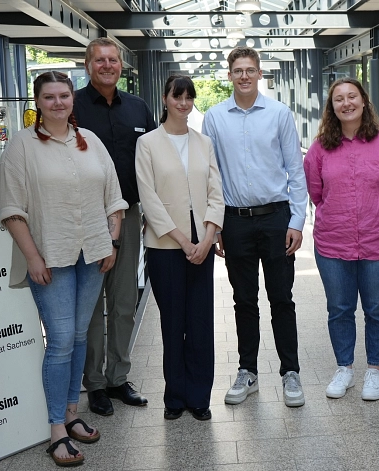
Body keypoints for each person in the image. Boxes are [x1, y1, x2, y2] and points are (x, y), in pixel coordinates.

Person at [0, 71, 129, 467]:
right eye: (49, 97)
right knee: (59, 341)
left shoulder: (91, 142)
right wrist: (32, 257)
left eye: (64, 96)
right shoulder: (21, 147)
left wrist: (113, 240)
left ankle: (72, 412)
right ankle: (56, 430)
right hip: (49, 258)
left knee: (78, 338)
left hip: (92, 255)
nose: (58, 102)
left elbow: (114, 197)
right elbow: (10, 208)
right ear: (37, 102)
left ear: (73, 100)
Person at [202, 46, 308, 408]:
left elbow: (296, 171)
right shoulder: (214, 118)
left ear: (259, 74)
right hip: (235, 221)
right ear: (229, 75)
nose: (244, 76)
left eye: (250, 70)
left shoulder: (279, 114)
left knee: (282, 298)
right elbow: (210, 176)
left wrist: (296, 220)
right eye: (237, 70)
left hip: (277, 218)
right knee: (243, 300)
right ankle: (248, 371)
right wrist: (215, 226)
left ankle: (290, 372)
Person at [304, 78, 379, 402]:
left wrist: (374, 213)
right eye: (339, 99)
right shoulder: (319, 148)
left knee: (377, 309)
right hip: (333, 242)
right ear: (331, 108)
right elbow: (317, 194)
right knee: (339, 309)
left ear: (363, 101)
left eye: (352, 96)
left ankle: (375, 370)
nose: (346, 103)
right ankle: (344, 368)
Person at [74, 37, 157, 416]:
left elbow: (154, 162)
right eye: (100, 60)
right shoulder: (70, 107)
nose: (107, 65)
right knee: (91, 306)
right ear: (88, 64)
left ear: (121, 66)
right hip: (85, 219)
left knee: (124, 302)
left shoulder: (138, 108)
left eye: (113, 60)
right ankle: (94, 384)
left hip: (131, 214)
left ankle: (118, 377)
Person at [135, 75, 224, 421]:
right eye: (178, 96)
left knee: (201, 323)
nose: (184, 103)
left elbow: (217, 193)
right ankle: (175, 397)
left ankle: (199, 397)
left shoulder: (204, 143)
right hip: (165, 246)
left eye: (189, 97)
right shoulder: (149, 144)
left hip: (202, 244)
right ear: (165, 98)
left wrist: (208, 237)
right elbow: (149, 197)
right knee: (173, 323)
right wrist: (185, 241)